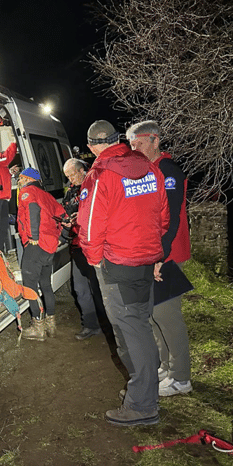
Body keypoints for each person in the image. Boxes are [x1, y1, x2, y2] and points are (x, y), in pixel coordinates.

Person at [77, 120, 169, 426]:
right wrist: (154, 250)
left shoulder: (99, 174)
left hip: (117, 264)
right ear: (119, 139)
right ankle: (143, 390)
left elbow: (89, 227)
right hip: (145, 260)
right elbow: (163, 215)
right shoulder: (150, 168)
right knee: (137, 325)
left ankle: (143, 404)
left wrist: (93, 260)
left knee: (131, 331)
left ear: (92, 146)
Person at [126, 120, 192, 397]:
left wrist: (159, 257)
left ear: (154, 140)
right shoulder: (151, 170)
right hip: (154, 254)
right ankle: (166, 367)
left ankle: (181, 377)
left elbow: (172, 217)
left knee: (167, 316)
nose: (134, 149)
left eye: (138, 144)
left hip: (167, 255)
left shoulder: (168, 171)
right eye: (131, 145)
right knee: (155, 314)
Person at [16, 167, 67, 341]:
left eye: (21, 177)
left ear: (26, 178)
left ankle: (38, 326)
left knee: (29, 285)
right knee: (45, 284)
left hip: (36, 245)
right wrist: (61, 237)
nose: (19, 180)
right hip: (49, 246)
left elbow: (32, 210)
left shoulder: (27, 191)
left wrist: (33, 237)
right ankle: (51, 323)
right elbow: (62, 215)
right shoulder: (46, 194)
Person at [62, 158, 107, 340]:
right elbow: (67, 210)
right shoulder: (71, 190)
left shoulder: (95, 185)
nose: (70, 179)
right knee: (80, 289)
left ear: (82, 170)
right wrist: (67, 222)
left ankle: (109, 327)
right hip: (77, 246)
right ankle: (90, 325)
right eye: (67, 176)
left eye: (72, 175)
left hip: (95, 247)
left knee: (99, 290)